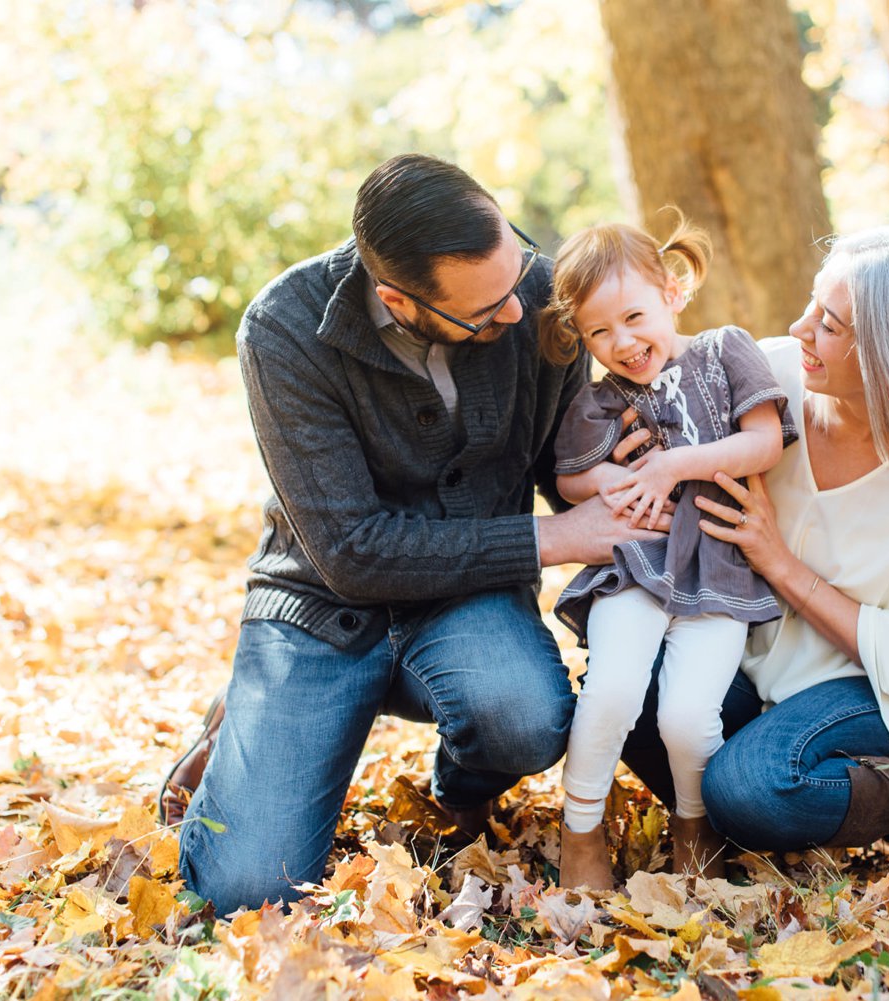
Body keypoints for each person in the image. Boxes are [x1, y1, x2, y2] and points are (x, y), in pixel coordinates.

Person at [165, 153, 662, 914]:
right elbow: (353, 552)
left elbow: (554, 462)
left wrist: (612, 469)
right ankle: (248, 718)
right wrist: (559, 537)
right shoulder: (284, 329)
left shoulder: (530, 294)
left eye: (517, 268)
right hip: (322, 606)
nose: (518, 314)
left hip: (466, 604)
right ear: (398, 300)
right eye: (485, 311)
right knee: (245, 889)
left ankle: (456, 792)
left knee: (525, 716)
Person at [618, 225, 889, 898]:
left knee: (750, 789)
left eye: (829, 324)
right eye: (812, 305)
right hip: (745, 656)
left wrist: (780, 562)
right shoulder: (765, 379)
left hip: (874, 686)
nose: (800, 329)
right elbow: (642, 398)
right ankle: (741, 805)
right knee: (626, 692)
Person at [538, 218, 796, 889]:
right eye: (599, 332)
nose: (621, 342)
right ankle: (582, 826)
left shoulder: (723, 350)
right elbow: (568, 479)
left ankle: (693, 823)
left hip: (719, 572)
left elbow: (764, 442)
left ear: (672, 293)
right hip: (635, 564)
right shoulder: (598, 399)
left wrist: (677, 464)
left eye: (633, 316)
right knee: (615, 688)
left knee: (687, 716)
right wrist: (605, 480)